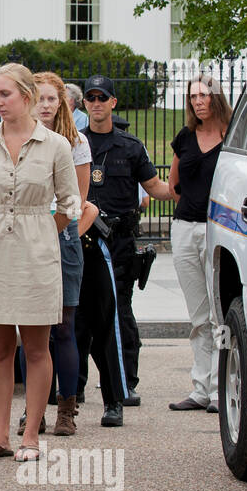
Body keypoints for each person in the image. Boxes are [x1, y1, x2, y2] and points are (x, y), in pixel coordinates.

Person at [0, 65, 81, 462]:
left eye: (5, 94)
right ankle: (0, 436)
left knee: (36, 347)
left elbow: (69, 204)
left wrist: (41, 231)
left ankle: (30, 434)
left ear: (27, 96)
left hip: (37, 252)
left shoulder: (56, 146)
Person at [74, 74, 175, 426]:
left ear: (114, 102)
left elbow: (157, 187)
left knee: (115, 316)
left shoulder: (130, 147)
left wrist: (187, 186)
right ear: (84, 103)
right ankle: (74, 389)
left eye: (103, 97)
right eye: (91, 97)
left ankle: (119, 390)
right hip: (80, 239)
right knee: (76, 318)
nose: (97, 103)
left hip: (117, 242)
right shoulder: (73, 144)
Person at [27, 71, 98, 437]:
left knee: (64, 326)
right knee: (29, 327)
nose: (45, 105)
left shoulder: (76, 142)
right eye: (39, 98)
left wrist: (57, 232)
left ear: (63, 103)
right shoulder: (18, 139)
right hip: (26, 232)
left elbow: (78, 201)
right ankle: (32, 410)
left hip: (62, 234)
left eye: (51, 98)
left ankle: (66, 409)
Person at [167, 74, 230, 413]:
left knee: (220, 312)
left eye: (204, 95)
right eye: (193, 97)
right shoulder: (186, 136)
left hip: (219, 230)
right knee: (198, 315)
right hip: (185, 227)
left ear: (216, 97)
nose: (198, 101)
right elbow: (174, 184)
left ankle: (221, 389)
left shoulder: (232, 136)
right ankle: (200, 388)